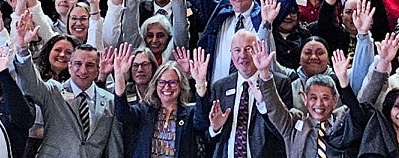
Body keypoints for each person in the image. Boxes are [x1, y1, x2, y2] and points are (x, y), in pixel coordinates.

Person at [11, 28, 124, 158]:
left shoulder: (110, 101)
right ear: (69, 66)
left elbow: (114, 146)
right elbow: (30, 86)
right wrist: (23, 50)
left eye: (90, 65)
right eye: (78, 64)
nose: (83, 70)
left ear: (98, 69)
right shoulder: (54, 91)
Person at [196, 30, 291, 158]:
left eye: (248, 49)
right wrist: (215, 129)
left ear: (258, 50)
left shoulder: (279, 84)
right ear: (231, 54)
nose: (243, 55)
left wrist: (264, 105)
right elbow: (206, 137)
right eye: (237, 50)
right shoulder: (220, 87)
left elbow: (283, 133)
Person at [110, 45, 207, 158]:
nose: (166, 87)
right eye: (162, 82)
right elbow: (122, 115)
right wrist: (119, 76)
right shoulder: (146, 110)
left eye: (172, 82)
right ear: (155, 85)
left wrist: (200, 83)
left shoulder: (190, 113)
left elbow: (202, 122)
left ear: (181, 85)